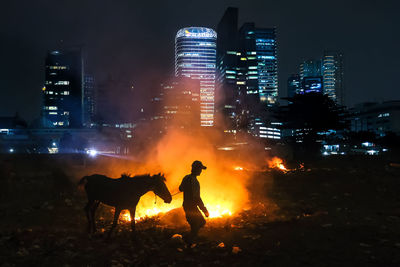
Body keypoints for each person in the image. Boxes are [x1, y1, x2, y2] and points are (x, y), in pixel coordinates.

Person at [179, 160, 209, 242]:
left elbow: (180, 188)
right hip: (191, 207)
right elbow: (197, 198)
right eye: (200, 169)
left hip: (187, 205)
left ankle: (190, 238)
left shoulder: (186, 177)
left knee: (200, 222)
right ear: (196, 169)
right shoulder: (195, 182)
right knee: (197, 224)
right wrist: (204, 210)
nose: (201, 171)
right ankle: (189, 242)